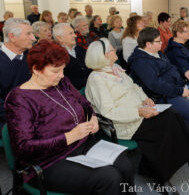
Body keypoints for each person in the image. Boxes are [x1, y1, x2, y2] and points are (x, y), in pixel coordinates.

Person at [85, 38, 189, 193]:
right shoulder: (97, 79)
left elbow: (134, 87)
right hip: (122, 123)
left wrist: (145, 99)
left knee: (172, 114)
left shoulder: (114, 68)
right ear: (102, 56)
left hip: (140, 111)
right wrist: (138, 111)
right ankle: (165, 176)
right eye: (110, 50)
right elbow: (108, 111)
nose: (115, 50)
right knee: (165, 125)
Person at [5, 40, 135, 194]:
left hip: (80, 144)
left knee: (124, 163)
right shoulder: (20, 99)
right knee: (109, 177)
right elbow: (24, 148)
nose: (61, 75)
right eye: (55, 71)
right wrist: (71, 136)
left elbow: (85, 104)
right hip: (48, 161)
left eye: (63, 70)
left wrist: (93, 118)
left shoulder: (62, 83)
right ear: (36, 70)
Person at [128, 28, 189, 131]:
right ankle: (183, 137)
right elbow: (155, 84)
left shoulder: (157, 52)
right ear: (148, 44)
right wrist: (179, 91)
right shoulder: (140, 62)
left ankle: (184, 128)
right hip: (162, 95)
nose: (161, 42)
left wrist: (184, 71)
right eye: (158, 41)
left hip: (175, 85)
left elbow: (172, 67)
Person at [0, 18, 35, 133]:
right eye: (28, 34)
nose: (33, 38)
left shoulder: (30, 56)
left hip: (32, 113)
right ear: (12, 37)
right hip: (10, 120)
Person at [53, 23, 91, 90]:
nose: (75, 36)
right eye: (71, 33)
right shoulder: (55, 55)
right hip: (73, 93)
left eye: (74, 33)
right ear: (60, 38)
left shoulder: (80, 49)